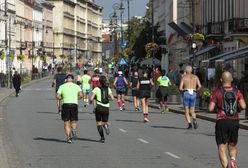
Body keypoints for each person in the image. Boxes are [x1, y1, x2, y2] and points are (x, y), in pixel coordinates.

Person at [209, 71, 246, 168]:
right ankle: (233, 160)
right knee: (232, 144)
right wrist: (238, 109)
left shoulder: (217, 91)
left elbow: (210, 108)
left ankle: (225, 166)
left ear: (221, 80)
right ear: (232, 80)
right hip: (234, 121)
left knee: (222, 146)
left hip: (222, 120)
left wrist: (217, 110)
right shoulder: (237, 91)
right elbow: (243, 106)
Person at [57, 74, 83, 143]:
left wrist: (62, 98)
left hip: (65, 104)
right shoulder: (77, 86)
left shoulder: (62, 86)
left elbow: (58, 96)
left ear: (66, 80)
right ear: (73, 79)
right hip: (74, 104)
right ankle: (73, 129)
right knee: (74, 120)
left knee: (66, 122)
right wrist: (76, 98)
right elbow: (81, 95)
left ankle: (68, 138)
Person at [90, 75, 114, 143]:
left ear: (99, 82)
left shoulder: (96, 89)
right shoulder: (108, 88)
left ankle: (102, 138)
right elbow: (112, 98)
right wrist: (107, 98)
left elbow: (91, 98)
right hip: (106, 108)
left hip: (99, 107)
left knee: (98, 123)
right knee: (104, 121)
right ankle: (105, 125)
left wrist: (91, 101)